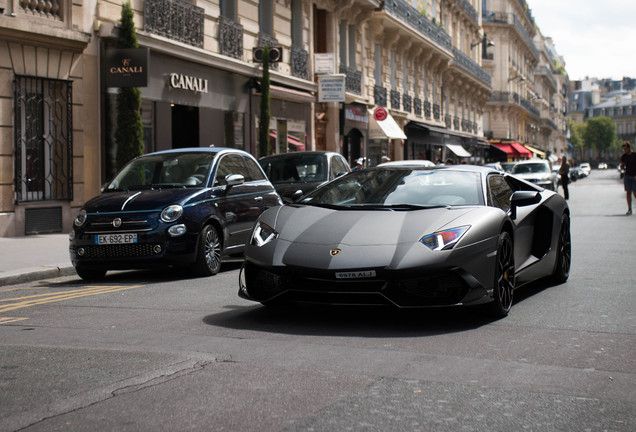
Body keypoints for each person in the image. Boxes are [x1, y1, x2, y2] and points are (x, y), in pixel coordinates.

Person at [619, 141, 636, 215]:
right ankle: (629, 209)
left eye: (626, 148)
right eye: (624, 149)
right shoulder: (624, 156)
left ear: (629, 148)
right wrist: (621, 166)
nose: (625, 150)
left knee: (635, 193)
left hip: (635, 176)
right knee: (628, 192)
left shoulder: (635, 155)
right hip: (627, 175)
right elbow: (622, 165)